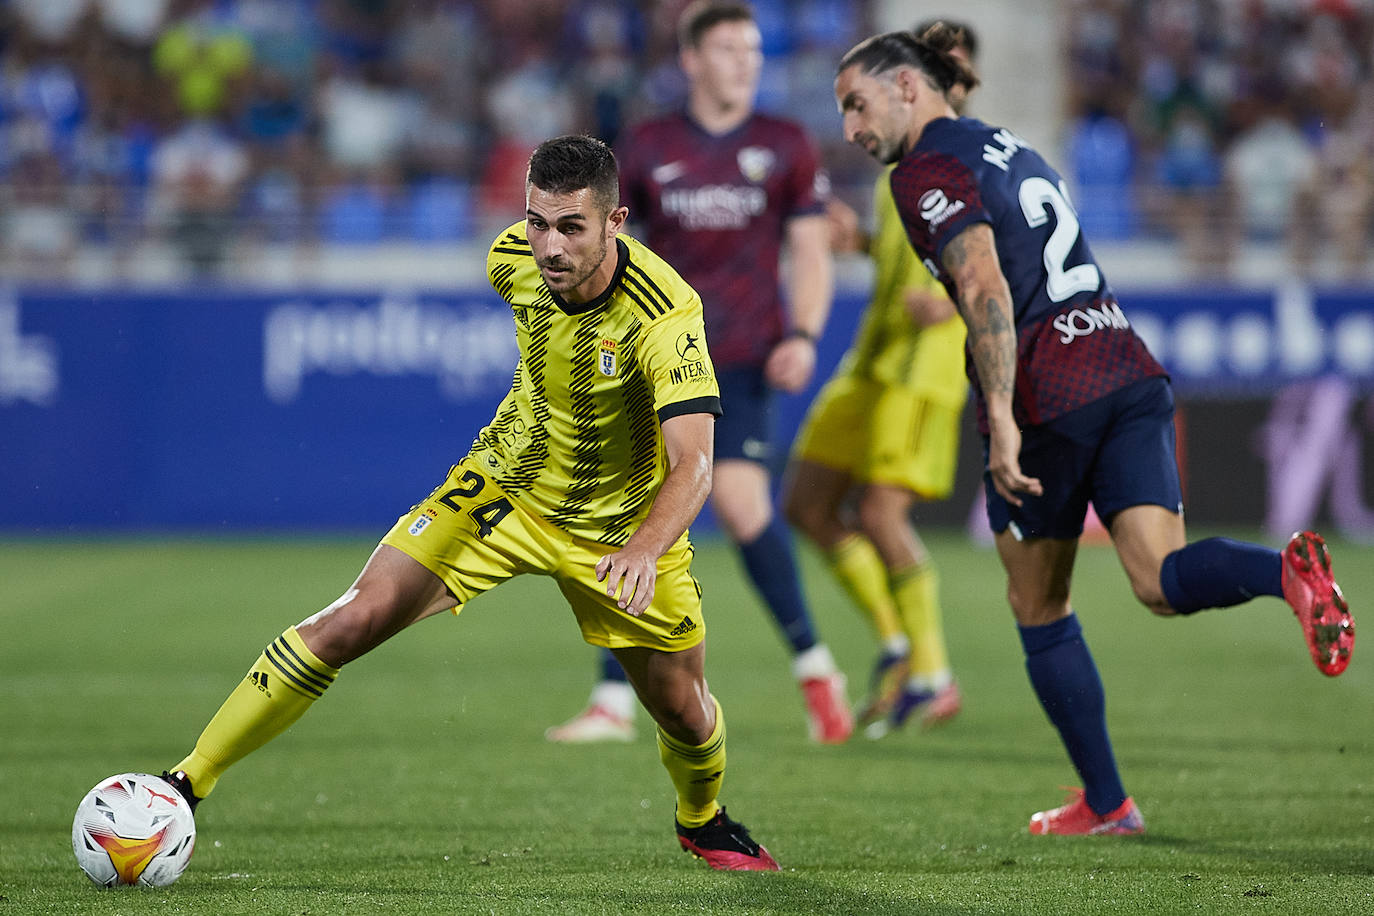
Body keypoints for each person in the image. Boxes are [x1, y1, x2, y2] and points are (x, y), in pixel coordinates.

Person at [159, 135, 780, 871]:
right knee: (352, 616)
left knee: (682, 706)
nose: (547, 246)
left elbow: (696, 462)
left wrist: (644, 549)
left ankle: (701, 818)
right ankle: (180, 787)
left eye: (571, 227)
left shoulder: (666, 314)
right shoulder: (509, 258)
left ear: (615, 223)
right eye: (537, 221)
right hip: (502, 490)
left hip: (619, 532)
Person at [832, 27, 1355, 835]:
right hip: (1126, 361)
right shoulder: (1009, 147)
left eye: (856, 104)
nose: (850, 129)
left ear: (907, 88)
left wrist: (1001, 416)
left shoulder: (924, 170)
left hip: (1051, 390)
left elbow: (982, 285)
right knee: (1160, 579)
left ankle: (1108, 802)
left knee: (1036, 599)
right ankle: (1284, 573)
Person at [546, 1, 851, 746]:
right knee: (623, 510)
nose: (746, 60)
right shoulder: (647, 145)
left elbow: (810, 250)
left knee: (743, 504)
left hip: (741, 354)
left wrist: (806, 333)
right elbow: (606, 248)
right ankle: (614, 701)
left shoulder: (784, 143)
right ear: (691, 60)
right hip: (652, 353)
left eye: (753, 48)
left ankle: (817, 671)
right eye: (728, 48)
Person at [784, 20, 977, 739]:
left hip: (923, 370)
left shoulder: (970, 159)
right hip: (872, 360)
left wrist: (956, 298)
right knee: (805, 501)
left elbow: (1003, 265)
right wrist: (859, 241)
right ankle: (899, 643)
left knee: (882, 513)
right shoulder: (902, 166)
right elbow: (909, 261)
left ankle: (931, 674)